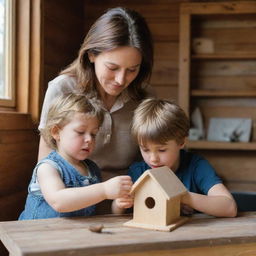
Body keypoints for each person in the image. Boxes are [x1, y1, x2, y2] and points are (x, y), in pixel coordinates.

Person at [38, 7, 154, 183]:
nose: (121, 80)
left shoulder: (146, 98)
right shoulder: (62, 89)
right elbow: (45, 165)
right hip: (74, 196)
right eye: (112, 68)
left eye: (132, 70)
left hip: (128, 197)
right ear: (91, 55)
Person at [114, 98, 237, 217]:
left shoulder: (196, 166)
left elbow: (230, 208)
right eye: (145, 149)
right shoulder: (138, 172)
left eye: (162, 150)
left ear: (181, 142)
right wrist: (119, 205)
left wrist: (183, 197)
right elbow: (116, 212)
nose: (153, 159)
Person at [19, 93, 132, 220]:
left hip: (72, 236)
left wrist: (117, 205)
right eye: (80, 132)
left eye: (94, 134)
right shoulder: (48, 168)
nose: (89, 139)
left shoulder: (92, 169)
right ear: (56, 132)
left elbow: (97, 212)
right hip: (36, 235)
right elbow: (59, 201)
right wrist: (104, 190)